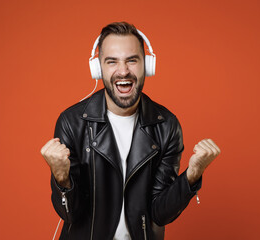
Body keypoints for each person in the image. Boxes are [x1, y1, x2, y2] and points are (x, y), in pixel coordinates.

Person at [41, 22, 221, 240]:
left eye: (132, 60)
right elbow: (71, 215)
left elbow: (159, 213)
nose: (123, 71)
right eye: (112, 61)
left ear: (147, 65)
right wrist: (62, 179)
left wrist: (191, 177)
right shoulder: (72, 122)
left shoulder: (166, 126)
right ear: (98, 69)